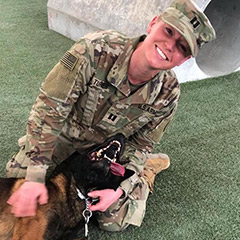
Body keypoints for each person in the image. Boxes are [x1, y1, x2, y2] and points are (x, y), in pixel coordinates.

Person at [6, 0, 216, 232]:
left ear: (184, 60)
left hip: (106, 157)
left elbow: (140, 145)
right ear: (153, 23)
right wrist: (35, 174)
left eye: (182, 48)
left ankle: (146, 173)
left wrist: (120, 189)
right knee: (19, 195)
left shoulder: (168, 93)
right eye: (168, 31)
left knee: (113, 221)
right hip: (61, 142)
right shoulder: (95, 50)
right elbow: (49, 110)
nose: (169, 46)